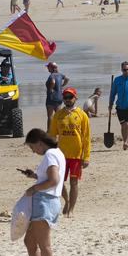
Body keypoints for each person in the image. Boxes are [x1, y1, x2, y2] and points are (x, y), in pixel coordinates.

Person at [20, 128, 65, 256]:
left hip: (45, 201)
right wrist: (35, 176)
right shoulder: (57, 152)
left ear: (39, 143)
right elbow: (52, 178)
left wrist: (34, 189)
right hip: (49, 200)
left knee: (44, 244)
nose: (33, 151)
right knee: (30, 241)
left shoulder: (50, 155)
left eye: (33, 148)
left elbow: (54, 180)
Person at [49, 87, 91, 217]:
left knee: (74, 182)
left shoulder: (81, 115)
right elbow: (52, 136)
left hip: (76, 155)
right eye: (65, 97)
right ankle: (66, 201)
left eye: (70, 97)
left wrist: (86, 156)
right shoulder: (58, 115)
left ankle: (71, 209)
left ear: (75, 98)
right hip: (61, 155)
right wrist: (51, 154)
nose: (67, 100)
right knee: (59, 182)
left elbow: (87, 137)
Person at [45, 62, 69, 131]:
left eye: (48, 67)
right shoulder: (60, 75)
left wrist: (50, 89)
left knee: (50, 116)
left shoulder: (52, 75)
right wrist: (62, 86)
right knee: (58, 116)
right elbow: (67, 79)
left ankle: (49, 130)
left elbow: (53, 82)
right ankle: (59, 129)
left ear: (52, 68)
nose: (47, 68)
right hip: (59, 97)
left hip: (51, 98)